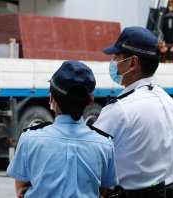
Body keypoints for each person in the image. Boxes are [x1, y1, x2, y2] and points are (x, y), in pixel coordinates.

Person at [93, 26, 173, 197]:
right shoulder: (169, 103)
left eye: (116, 58)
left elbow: (90, 163)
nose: (113, 63)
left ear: (132, 62)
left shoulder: (120, 110)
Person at [7, 60, 118, 197]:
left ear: (51, 99)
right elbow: (102, 191)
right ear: (90, 101)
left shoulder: (29, 139)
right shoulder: (105, 145)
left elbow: (21, 190)